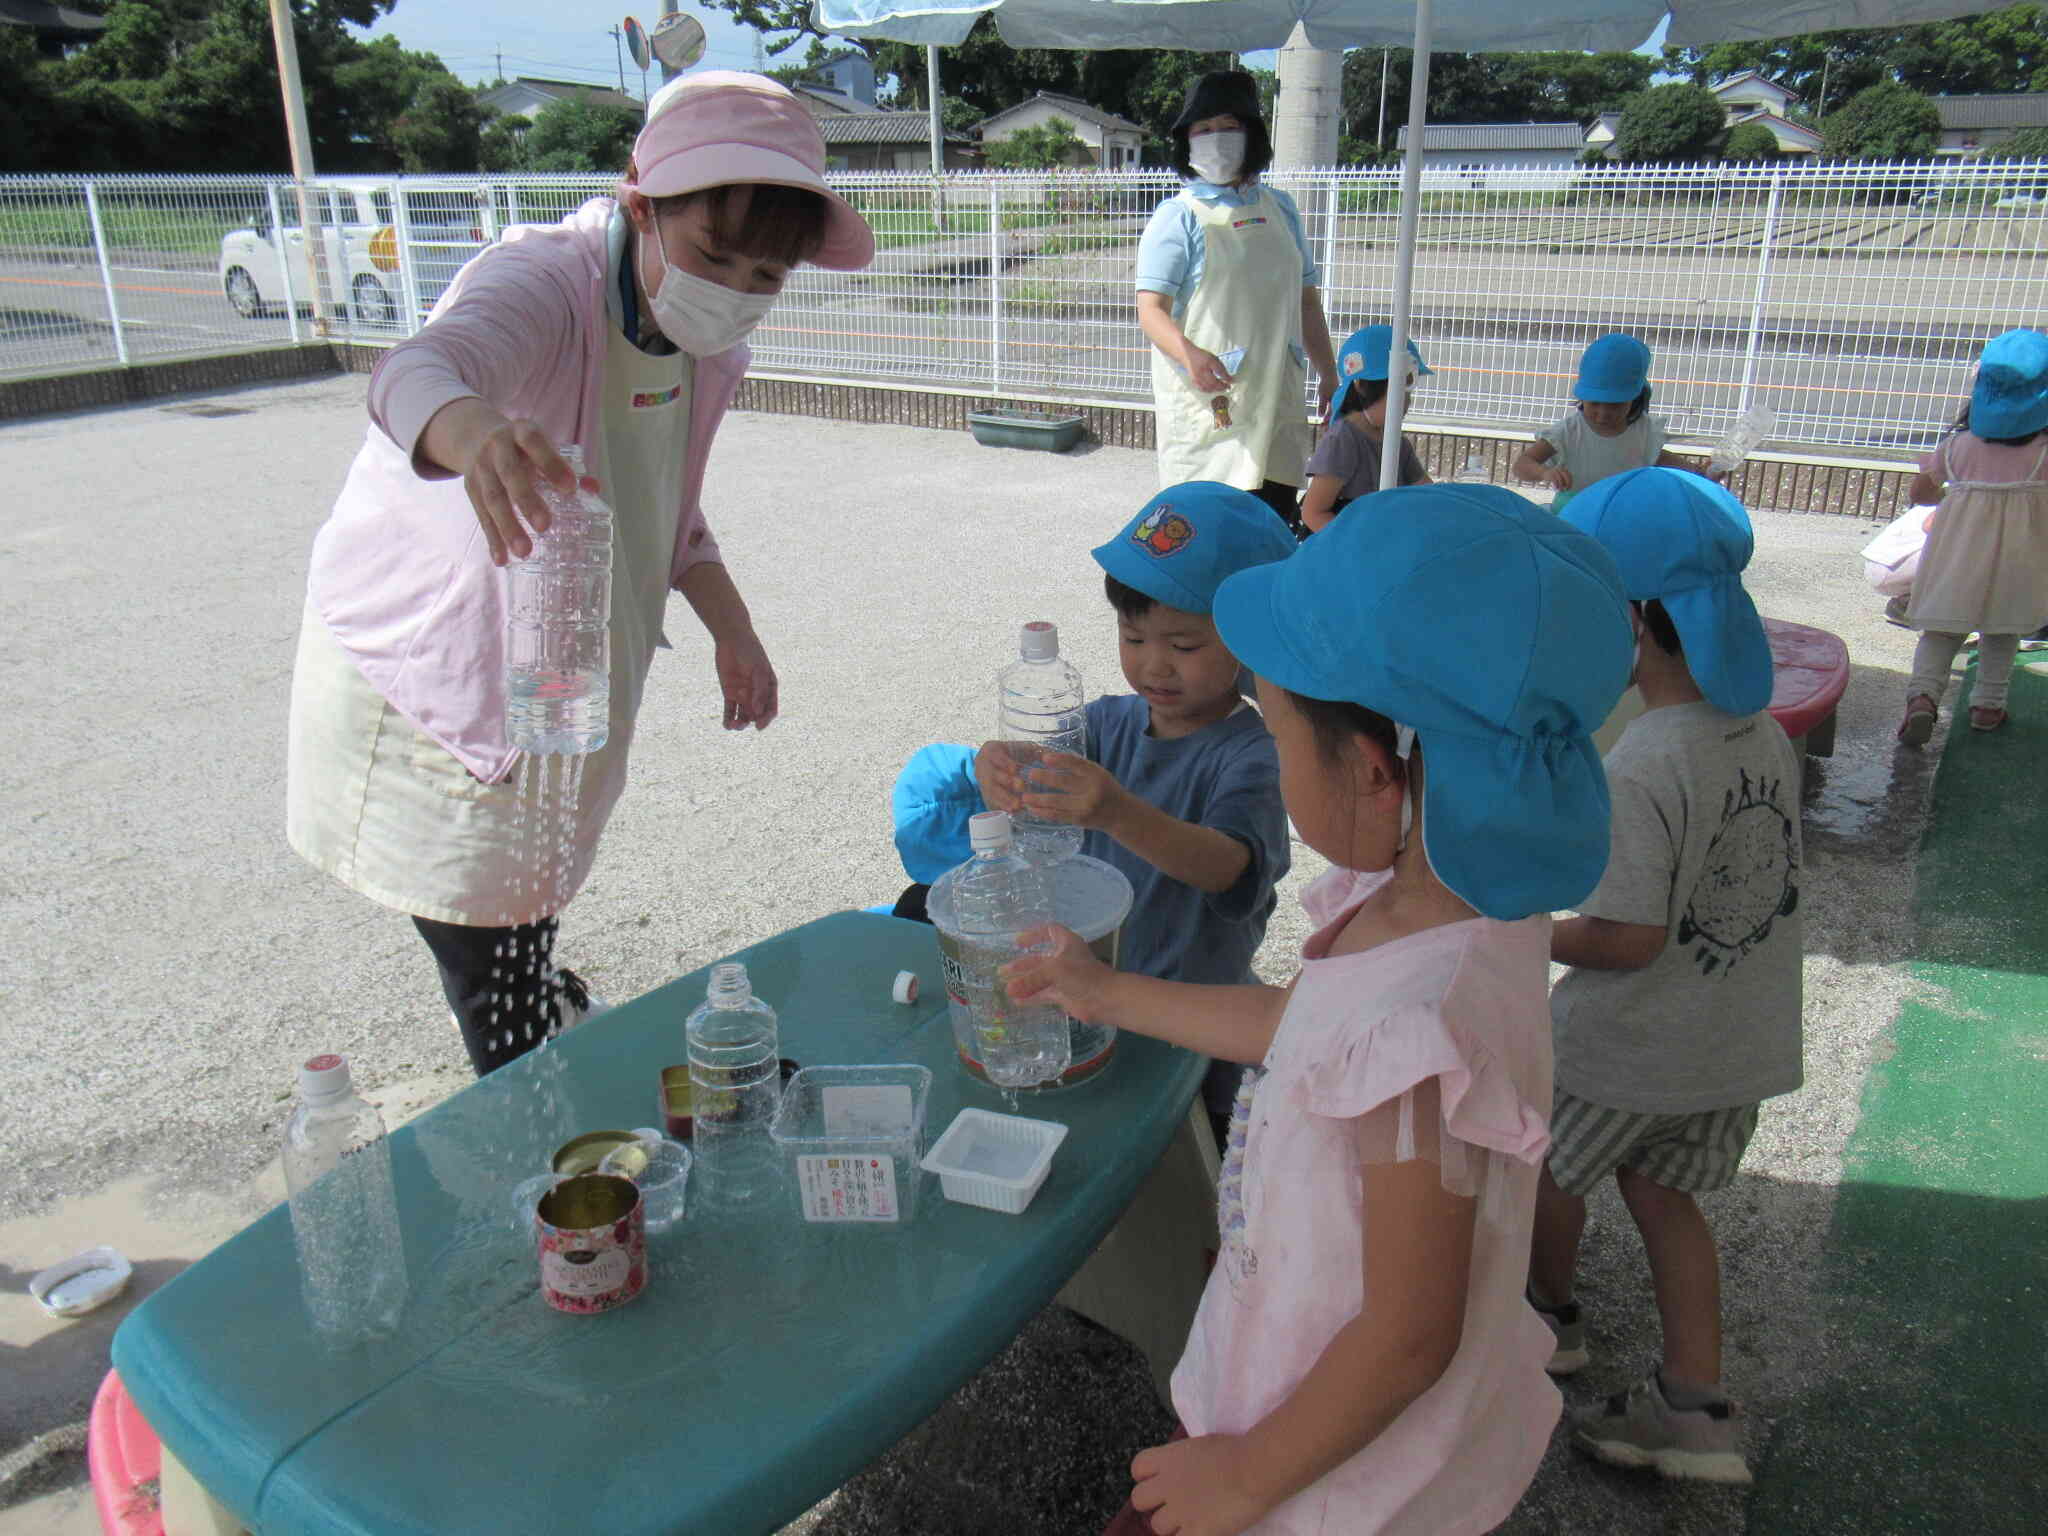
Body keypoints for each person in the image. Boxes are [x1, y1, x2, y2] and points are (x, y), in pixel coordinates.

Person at [1009, 485, 1636, 1536]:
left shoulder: (1418, 1020)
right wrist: (1105, 989)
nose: (1273, 749)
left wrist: (1249, 1475)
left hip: (1327, 1481)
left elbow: (1404, 1332)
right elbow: (1312, 1029)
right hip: (1307, 1410)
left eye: (1282, 729)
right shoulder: (1453, 909)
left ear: (1372, 771)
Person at [285, 72, 875, 1077]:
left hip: (558, 663)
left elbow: (666, 506)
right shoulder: (544, 282)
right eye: (712, 254)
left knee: (534, 895)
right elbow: (416, 370)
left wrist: (731, 624)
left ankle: (551, 1028)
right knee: (487, 939)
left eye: (765, 276)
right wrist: (474, 436)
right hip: (443, 681)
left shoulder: (698, 340)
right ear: (640, 203)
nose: (733, 290)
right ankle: (530, 1130)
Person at [1531, 467, 1804, 1487]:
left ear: (1635, 623)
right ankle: (1694, 1406)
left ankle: (1546, 1316)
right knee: (1662, 1196)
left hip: (1631, 1048)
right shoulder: (1762, 736)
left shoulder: (1642, 759)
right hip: (1736, 1041)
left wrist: (1529, 932)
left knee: (1547, 1164)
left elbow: (1624, 938)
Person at [975, 483, 1296, 1134]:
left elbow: (1230, 868)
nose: (1155, 666)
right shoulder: (1103, 724)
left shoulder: (1252, 753)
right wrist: (995, 768)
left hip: (1192, 1025)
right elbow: (1032, 784)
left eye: (1183, 646)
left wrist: (1119, 813)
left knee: (1186, 1165)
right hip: (1088, 1007)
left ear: (1247, 642)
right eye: (1133, 637)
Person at [1136, 70, 1339, 536]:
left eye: (1227, 125)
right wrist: (1191, 354)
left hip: (1277, 401)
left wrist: (1328, 372)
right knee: (1204, 540)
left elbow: (1306, 302)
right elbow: (1151, 311)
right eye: (1202, 130)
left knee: (1269, 531)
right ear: (1186, 142)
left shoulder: (1281, 209)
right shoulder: (1178, 217)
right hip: (1213, 409)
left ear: (1251, 134)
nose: (1215, 139)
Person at [1896, 327, 2048, 741]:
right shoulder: (2043, 455)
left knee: (1941, 633)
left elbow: (1922, 496)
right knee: (2002, 632)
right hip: (2019, 566)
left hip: (1956, 562)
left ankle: (1923, 699)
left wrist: (1943, 487)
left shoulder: (1958, 447)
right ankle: (1987, 707)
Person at [1511, 333, 1710, 515]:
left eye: (1615, 405)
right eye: (1594, 403)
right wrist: (1544, 472)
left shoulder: (1642, 430)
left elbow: (1658, 457)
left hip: (1623, 514)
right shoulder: (1569, 431)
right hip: (1574, 513)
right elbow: (1522, 465)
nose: (1603, 414)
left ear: (1635, 398)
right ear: (1581, 397)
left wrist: (1697, 472)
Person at [1300, 324, 1435, 533]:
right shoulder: (1343, 440)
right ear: (1361, 386)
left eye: (1407, 390)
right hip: (1340, 552)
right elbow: (1313, 512)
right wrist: (1358, 547)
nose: (1406, 401)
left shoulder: (1397, 444)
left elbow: (1430, 497)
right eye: (1397, 389)